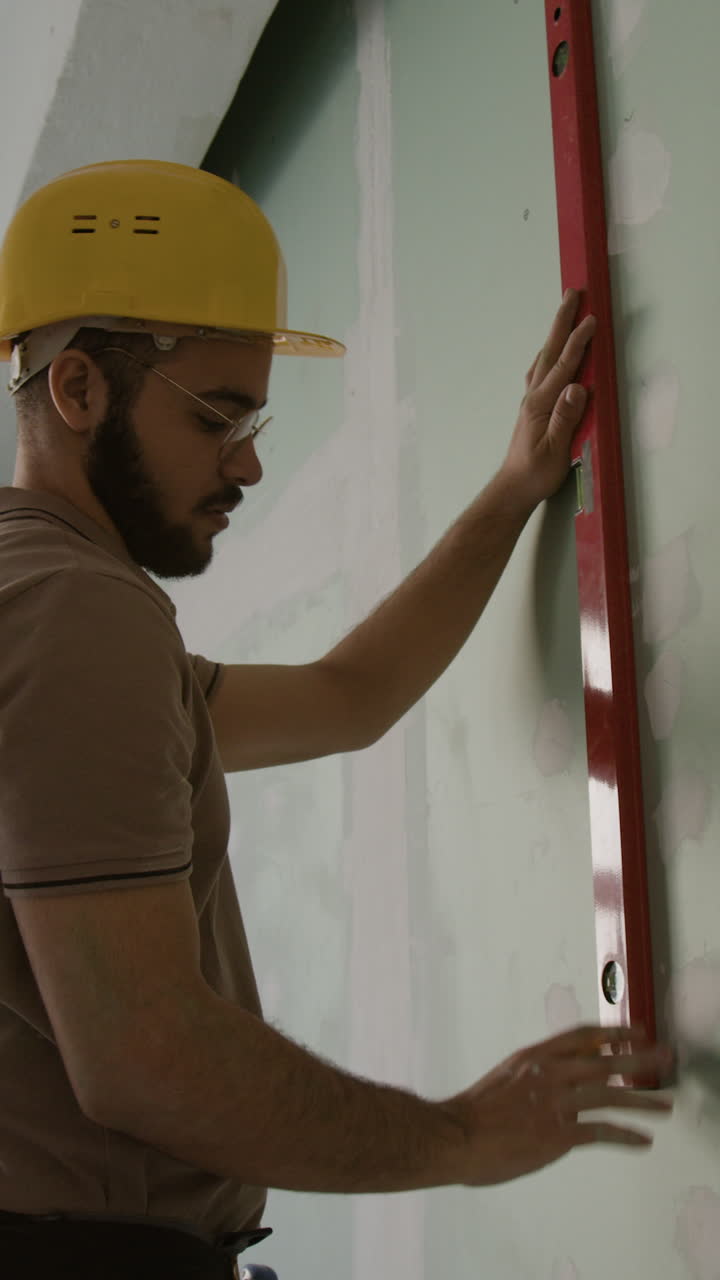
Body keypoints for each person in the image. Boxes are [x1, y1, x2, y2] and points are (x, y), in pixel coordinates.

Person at [0, 161, 673, 1279]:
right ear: (78, 390)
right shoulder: (71, 611)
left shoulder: (49, 607)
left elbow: (344, 697)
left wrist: (514, 486)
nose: (251, 458)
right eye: (219, 413)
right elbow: (141, 1052)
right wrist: (462, 1135)